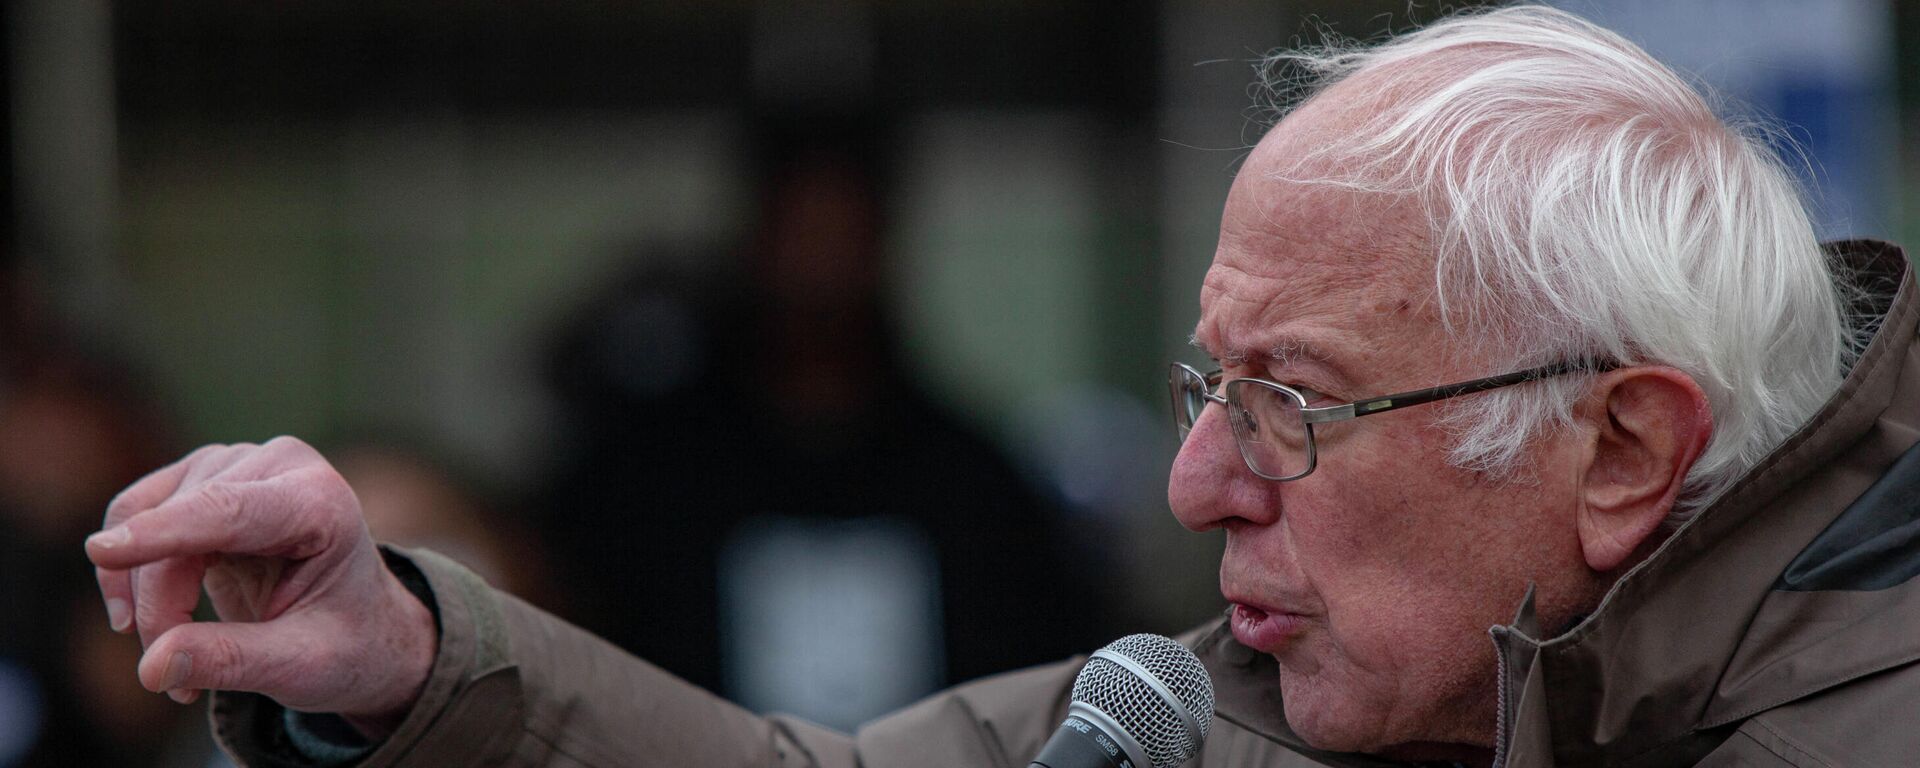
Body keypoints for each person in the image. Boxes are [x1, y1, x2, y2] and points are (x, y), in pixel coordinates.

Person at [84, 7, 1920, 767]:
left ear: (1620, 451)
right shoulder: (1273, 689)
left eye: (1296, 399)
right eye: (1211, 379)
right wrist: (409, 657)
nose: (1200, 483)